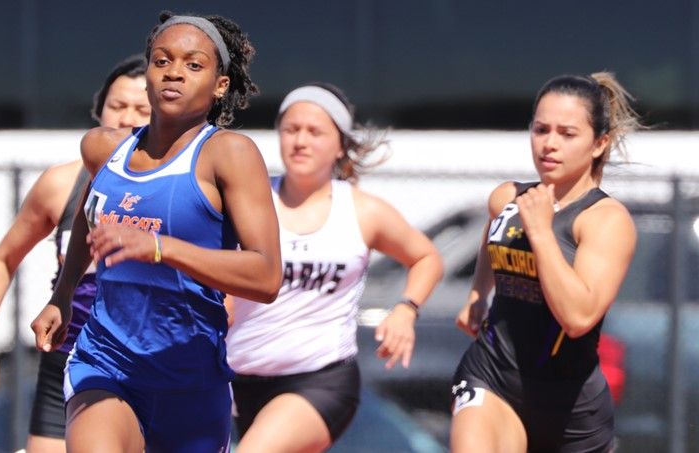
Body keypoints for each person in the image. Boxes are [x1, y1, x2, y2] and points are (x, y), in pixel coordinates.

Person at [30, 11, 281, 453]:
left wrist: (163, 247)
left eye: (193, 64)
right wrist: (63, 295)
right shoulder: (104, 149)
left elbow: (265, 277)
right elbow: (92, 215)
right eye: (162, 61)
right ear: (146, 75)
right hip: (105, 362)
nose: (175, 73)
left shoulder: (229, 154)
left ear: (220, 85)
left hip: (190, 380)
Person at [226, 83, 444, 453]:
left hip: (319, 380)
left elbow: (426, 258)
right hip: (236, 378)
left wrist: (406, 310)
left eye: (315, 132)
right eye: (291, 129)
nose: (300, 141)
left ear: (340, 144)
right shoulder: (251, 201)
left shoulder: (362, 211)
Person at [0, 54, 150, 453]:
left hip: (150, 363)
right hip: (67, 360)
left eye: (141, 109)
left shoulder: (180, 188)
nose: (128, 118)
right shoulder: (61, 183)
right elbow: (2, 259)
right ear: (99, 111)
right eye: (117, 106)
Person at [450, 72, 641, 453]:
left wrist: (540, 234)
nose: (549, 144)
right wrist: (477, 294)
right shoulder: (507, 196)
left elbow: (578, 317)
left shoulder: (605, 220)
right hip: (491, 375)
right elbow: (493, 233)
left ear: (599, 143)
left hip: (570, 408)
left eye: (567, 134)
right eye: (541, 130)